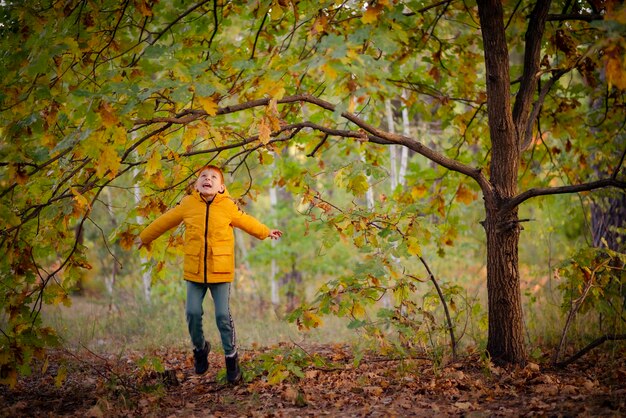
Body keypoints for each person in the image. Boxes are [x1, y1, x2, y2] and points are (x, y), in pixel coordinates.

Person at [136, 165, 282, 383]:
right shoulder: (188, 204)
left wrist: (265, 231)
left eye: (214, 177)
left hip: (220, 271)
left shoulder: (228, 206)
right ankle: (200, 349)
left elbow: (247, 221)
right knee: (193, 313)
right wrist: (144, 236)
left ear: (221, 187)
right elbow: (165, 221)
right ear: (196, 184)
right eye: (203, 176)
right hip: (194, 272)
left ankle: (232, 361)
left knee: (223, 316)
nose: (208, 179)